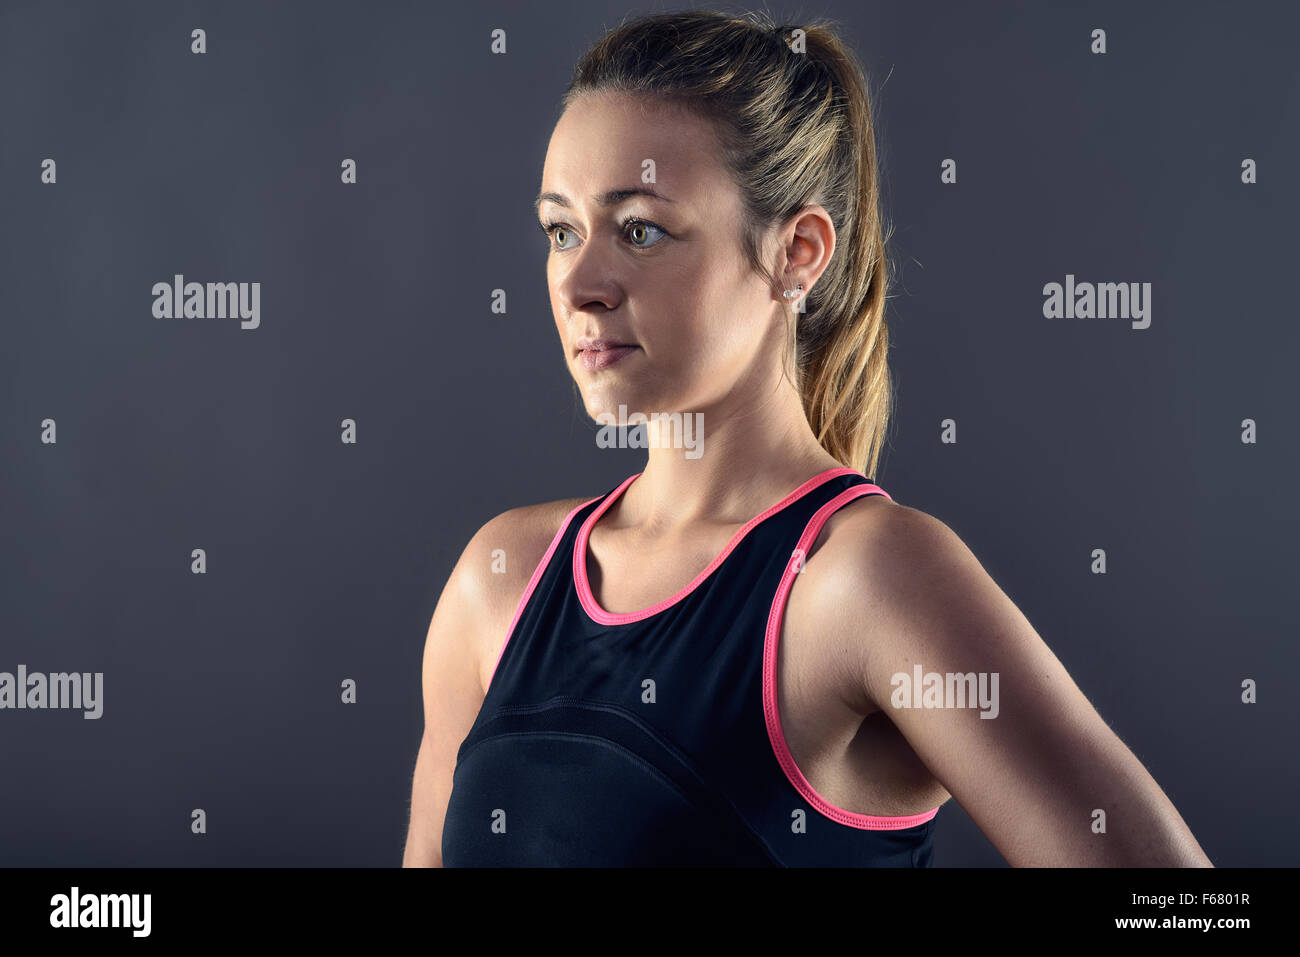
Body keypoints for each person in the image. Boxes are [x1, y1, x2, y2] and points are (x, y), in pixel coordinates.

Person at [402, 10, 1213, 867]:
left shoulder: (864, 581)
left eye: (640, 228)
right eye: (560, 230)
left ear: (797, 251)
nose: (578, 282)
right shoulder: (500, 583)